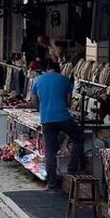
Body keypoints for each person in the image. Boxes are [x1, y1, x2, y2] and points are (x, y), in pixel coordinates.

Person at [31, 61, 83, 190]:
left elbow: (34, 100)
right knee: (78, 137)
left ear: (46, 69)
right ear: (58, 69)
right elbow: (69, 101)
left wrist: (42, 109)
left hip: (47, 119)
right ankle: (72, 168)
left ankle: (51, 183)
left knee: (50, 152)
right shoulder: (65, 80)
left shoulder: (38, 80)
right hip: (63, 117)